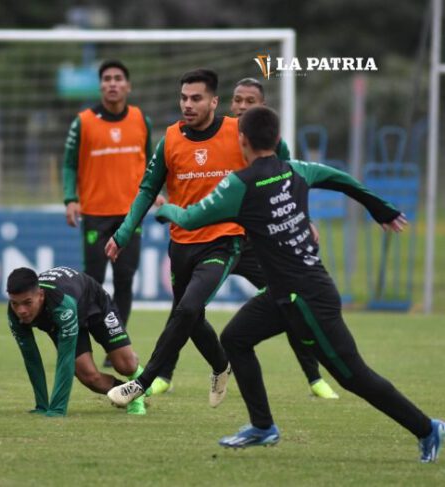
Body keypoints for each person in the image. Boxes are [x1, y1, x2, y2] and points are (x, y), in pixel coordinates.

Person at [150, 105, 442, 462]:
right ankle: (262, 427)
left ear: (242, 139)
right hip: (286, 292)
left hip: (306, 297)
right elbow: (339, 178)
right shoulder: (296, 170)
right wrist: (379, 207)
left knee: (354, 376)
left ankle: (428, 428)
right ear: (276, 139)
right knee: (235, 339)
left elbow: (191, 219)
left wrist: (165, 208)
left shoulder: (239, 185)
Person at [103, 69, 240, 407]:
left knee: (187, 309)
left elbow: (274, 163)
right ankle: (222, 365)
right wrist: (123, 233)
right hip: (181, 245)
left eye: (196, 98)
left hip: (224, 241)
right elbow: (148, 189)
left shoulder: (238, 133)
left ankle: (142, 383)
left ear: (214, 101)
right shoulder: (171, 138)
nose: (188, 104)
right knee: (191, 319)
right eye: (183, 98)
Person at [228, 77, 338, 400]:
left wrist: (307, 221)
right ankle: (162, 373)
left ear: (262, 108)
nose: (242, 106)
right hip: (221, 238)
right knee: (189, 304)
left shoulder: (275, 146)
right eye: (238, 100)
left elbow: (290, 190)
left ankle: (314, 377)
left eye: (250, 101)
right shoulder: (219, 135)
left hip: (258, 243)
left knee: (288, 302)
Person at [61, 60, 155, 345]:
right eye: (107, 79)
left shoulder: (141, 120)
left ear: (127, 86)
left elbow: (152, 164)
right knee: (93, 282)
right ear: (101, 86)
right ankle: (89, 337)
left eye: (117, 78)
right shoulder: (84, 121)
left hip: (130, 216)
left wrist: (156, 191)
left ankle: (117, 342)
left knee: (125, 279)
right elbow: (69, 164)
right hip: (95, 213)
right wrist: (70, 198)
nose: (112, 83)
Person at [6, 266, 146, 416]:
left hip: (94, 304)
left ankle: (142, 379)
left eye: (27, 303)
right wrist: (42, 406)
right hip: (64, 319)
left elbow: (65, 359)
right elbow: (31, 358)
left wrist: (57, 409)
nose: (21, 310)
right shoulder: (15, 315)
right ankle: (131, 394)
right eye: (15, 303)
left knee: (125, 365)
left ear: (40, 295)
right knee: (89, 377)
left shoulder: (62, 305)